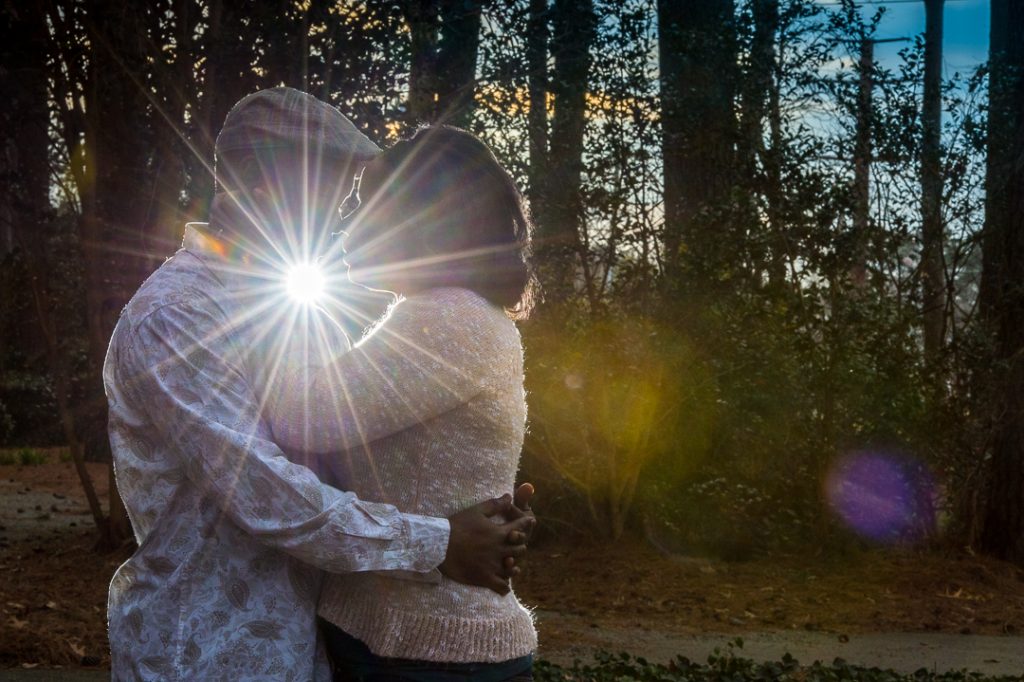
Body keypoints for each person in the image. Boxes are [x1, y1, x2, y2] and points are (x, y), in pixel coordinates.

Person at [103, 88, 534, 680]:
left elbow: (331, 445)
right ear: (256, 179)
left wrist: (476, 505)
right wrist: (441, 539)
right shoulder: (177, 317)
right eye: (331, 192)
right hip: (206, 653)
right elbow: (266, 495)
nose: (342, 218)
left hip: (313, 647)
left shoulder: (289, 309)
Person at [260, 125, 539, 680]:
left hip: (427, 650)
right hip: (413, 639)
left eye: (365, 205)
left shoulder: (448, 318)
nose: (345, 223)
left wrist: (270, 303)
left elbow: (300, 416)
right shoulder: (451, 313)